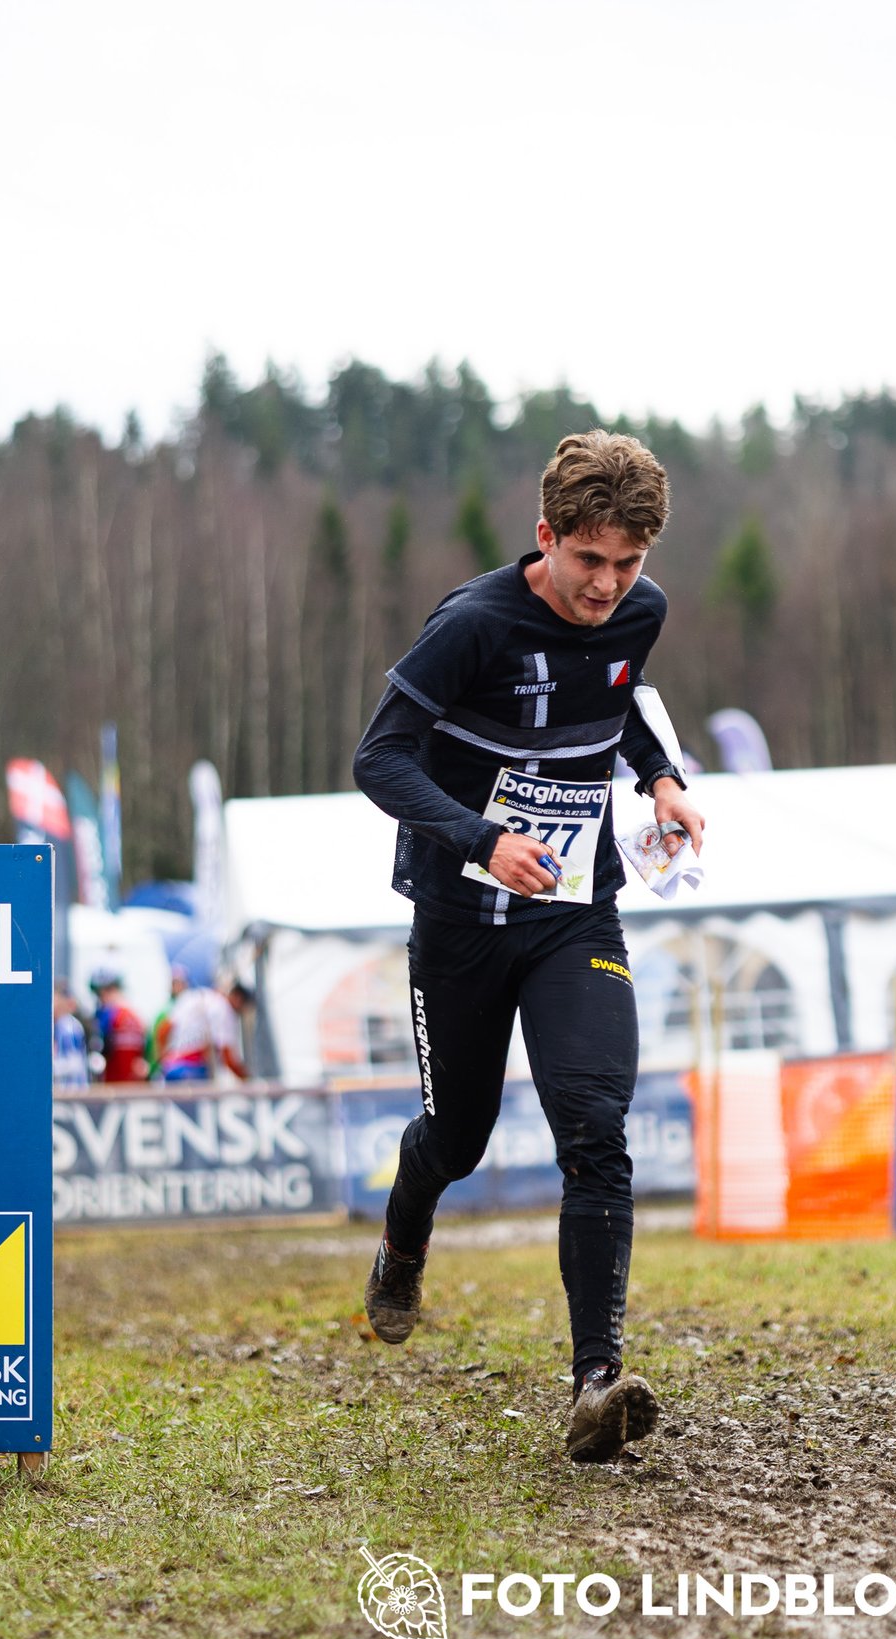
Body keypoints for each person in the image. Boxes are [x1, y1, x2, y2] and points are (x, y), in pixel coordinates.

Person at [350, 430, 706, 1463]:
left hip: (572, 916)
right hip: (461, 921)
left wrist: (661, 778)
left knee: (595, 1126)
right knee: (454, 1138)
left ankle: (597, 1378)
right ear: (543, 536)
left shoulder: (643, 610)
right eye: (586, 559)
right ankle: (404, 1232)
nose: (605, 585)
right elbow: (378, 760)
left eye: (627, 563)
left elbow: (620, 701)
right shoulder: (471, 625)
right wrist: (479, 838)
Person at [154, 965, 246, 1083]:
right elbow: (227, 1056)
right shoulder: (223, 1007)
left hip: (171, 1069)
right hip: (192, 1071)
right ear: (238, 999)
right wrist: (248, 1080)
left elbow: (163, 1029)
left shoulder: (190, 998)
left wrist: (163, 1061)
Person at [89, 971, 150, 1085]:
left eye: (100, 994)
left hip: (113, 1085)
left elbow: (98, 1051)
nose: (99, 999)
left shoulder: (108, 1015)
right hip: (134, 1085)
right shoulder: (136, 1016)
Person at [51, 985, 91, 1088]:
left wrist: (46, 1068)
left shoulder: (68, 1026)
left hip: (72, 1092)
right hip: (68, 1091)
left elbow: (74, 1063)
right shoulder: (59, 1024)